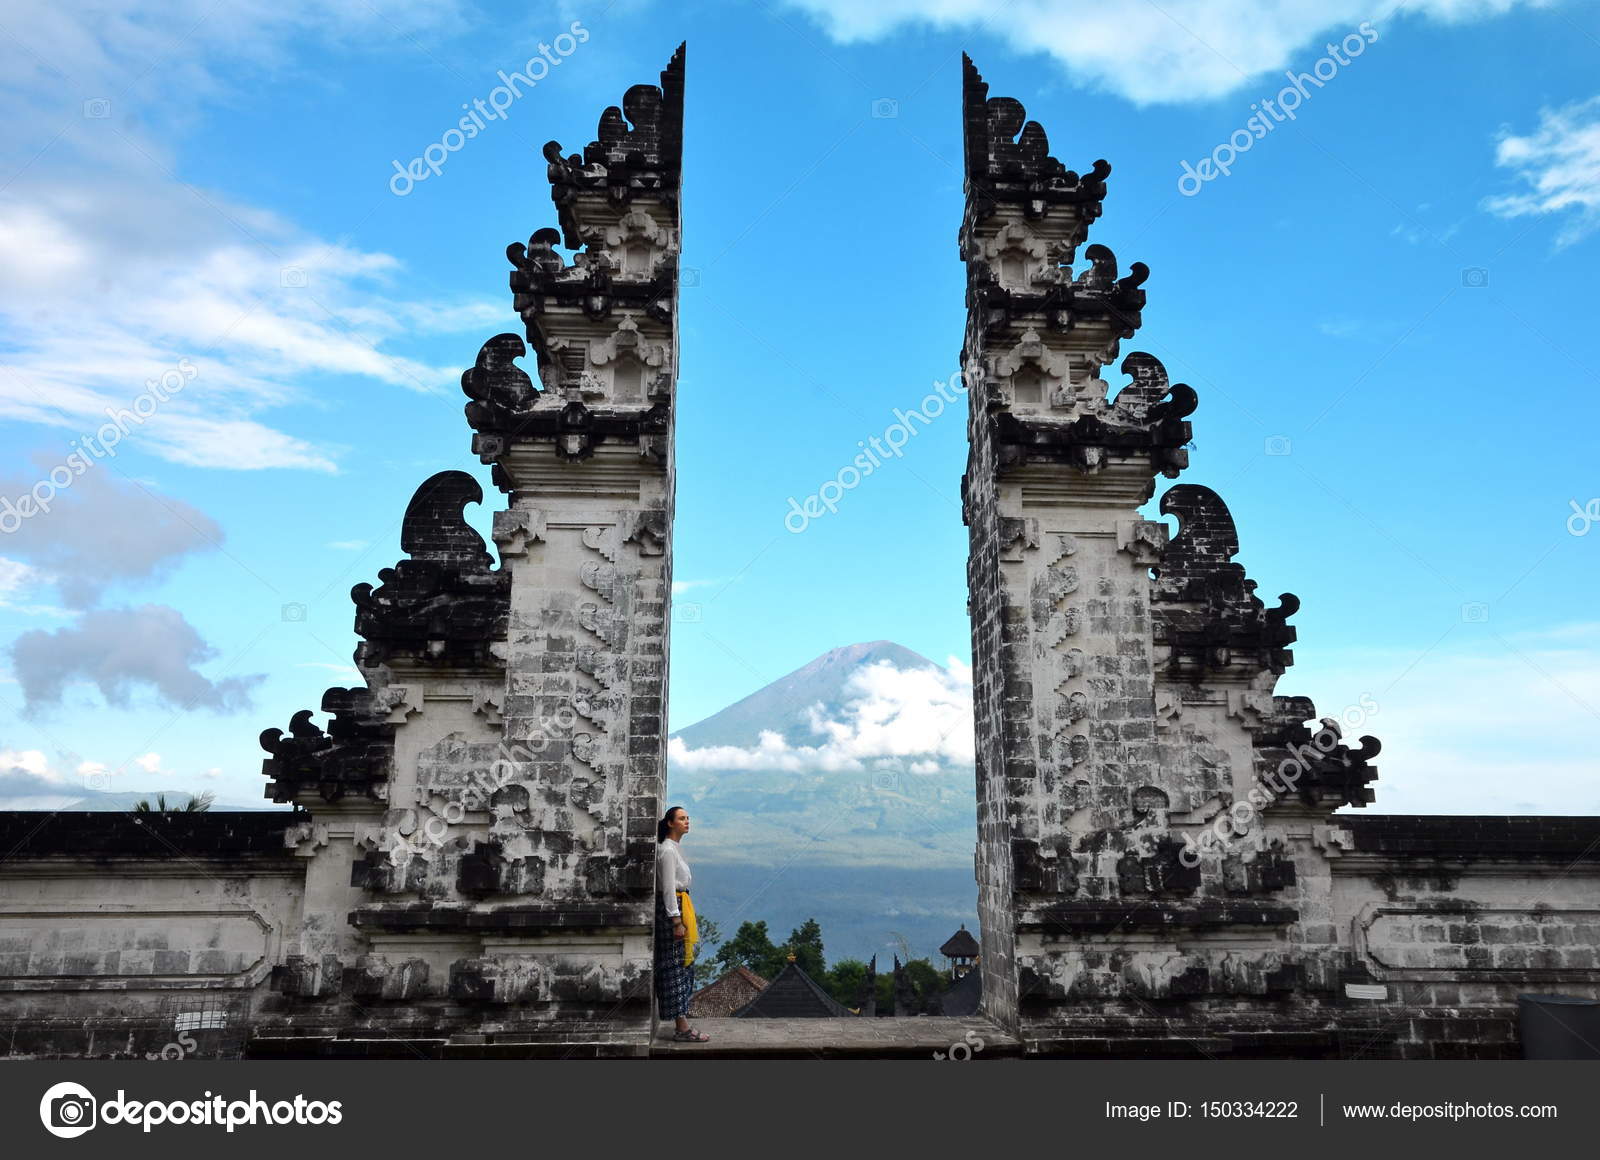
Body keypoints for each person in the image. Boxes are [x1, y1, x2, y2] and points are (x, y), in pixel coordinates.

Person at [655, 806, 709, 1042]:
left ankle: (682, 1021)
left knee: (684, 962)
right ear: (669, 823)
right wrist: (676, 920)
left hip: (680, 904)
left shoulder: (674, 848)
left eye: (687, 818)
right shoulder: (667, 850)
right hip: (673, 909)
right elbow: (668, 888)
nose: (687, 821)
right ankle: (682, 1027)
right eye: (681, 818)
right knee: (674, 965)